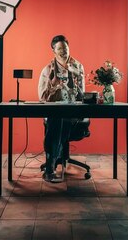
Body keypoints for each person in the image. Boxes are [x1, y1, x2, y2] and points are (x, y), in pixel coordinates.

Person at [38, 35, 85, 182]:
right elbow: (42, 97)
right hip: (55, 111)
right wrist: (54, 88)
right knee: (58, 118)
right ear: (54, 51)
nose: (63, 51)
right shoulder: (48, 70)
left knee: (61, 118)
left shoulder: (78, 67)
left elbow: (83, 95)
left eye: (65, 48)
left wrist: (76, 81)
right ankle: (52, 162)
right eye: (59, 48)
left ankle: (51, 165)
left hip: (74, 111)